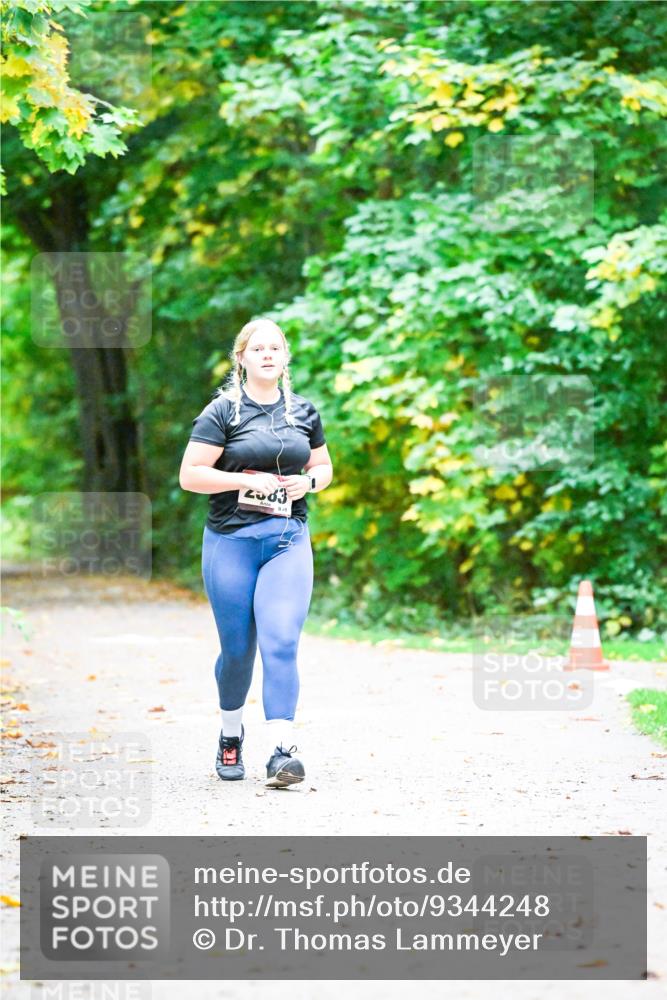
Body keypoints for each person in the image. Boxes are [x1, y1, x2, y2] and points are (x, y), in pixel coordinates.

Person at [179, 317, 333, 788]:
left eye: (276, 348)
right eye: (258, 348)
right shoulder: (222, 412)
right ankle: (230, 734)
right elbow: (191, 476)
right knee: (238, 650)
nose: (268, 354)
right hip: (231, 541)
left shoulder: (303, 412)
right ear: (241, 358)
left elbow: (323, 466)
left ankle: (283, 751)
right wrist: (246, 479)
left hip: (287, 538)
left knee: (281, 640)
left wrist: (308, 482)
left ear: (285, 358)